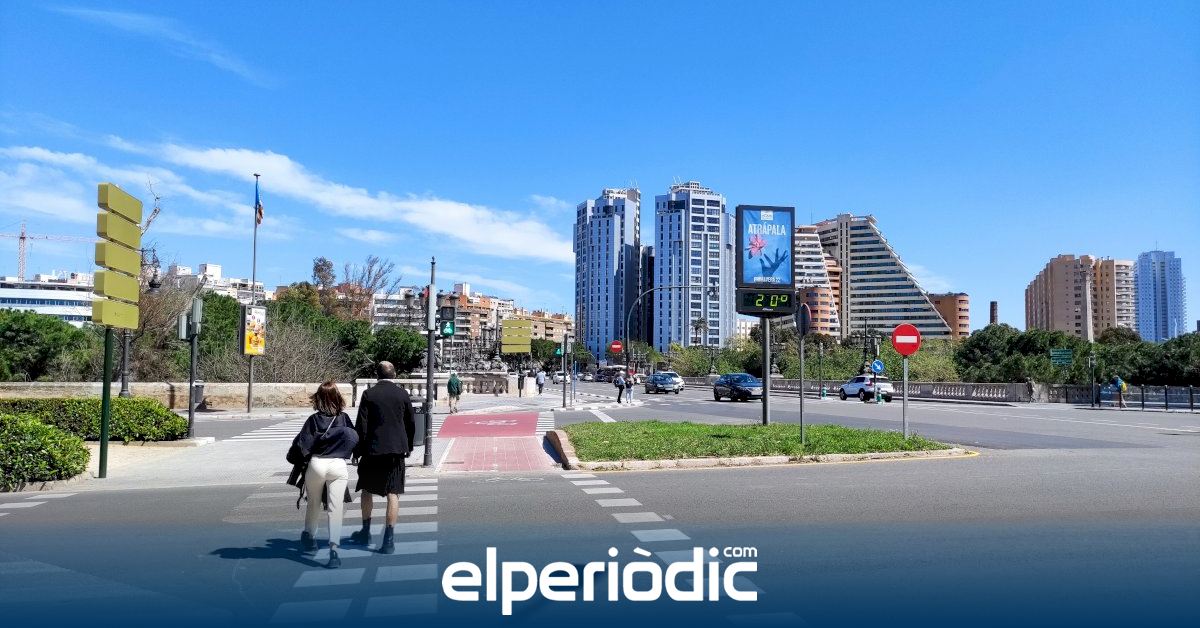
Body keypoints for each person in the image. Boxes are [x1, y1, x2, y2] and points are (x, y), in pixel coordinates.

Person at [289, 381, 358, 569]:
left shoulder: (313, 420)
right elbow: (354, 438)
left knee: (313, 503)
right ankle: (334, 551)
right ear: (338, 397)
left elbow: (302, 445)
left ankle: (310, 537)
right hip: (338, 465)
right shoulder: (343, 418)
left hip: (317, 464)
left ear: (318, 397)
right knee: (335, 509)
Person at [349, 361, 416, 554]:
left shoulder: (369, 394)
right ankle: (388, 540)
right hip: (396, 450)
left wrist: (357, 451)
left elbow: (361, 425)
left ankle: (365, 532)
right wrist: (408, 446)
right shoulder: (402, 394)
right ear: (394, 374)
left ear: (377, 375)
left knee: (366, 490)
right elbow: (410, 423)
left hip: (372, 449)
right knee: (393, 493)